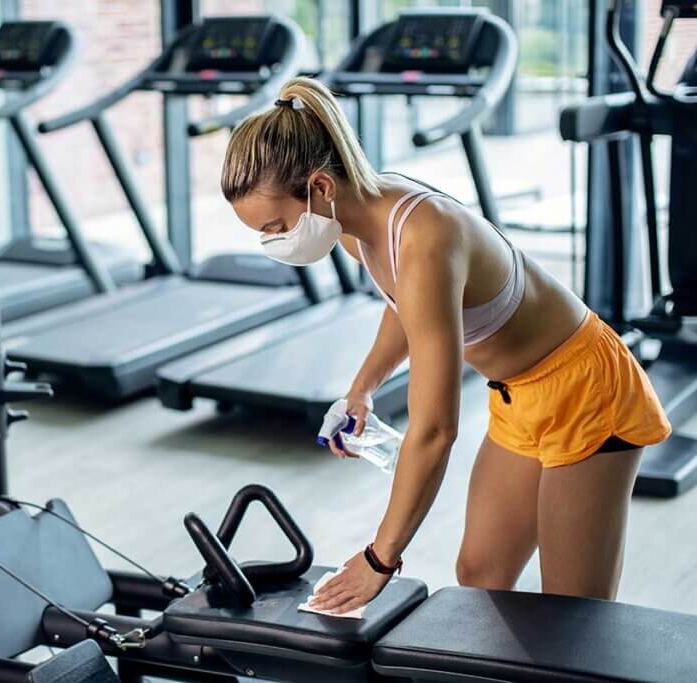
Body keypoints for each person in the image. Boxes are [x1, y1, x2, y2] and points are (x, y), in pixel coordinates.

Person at [220, 77, 671, 615]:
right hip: (517, 395)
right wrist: (361, 390)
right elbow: (405, 306)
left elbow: (435, 431)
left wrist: (380, 557)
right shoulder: (352, 220)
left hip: (585, 388)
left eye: (275, 226)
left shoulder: (425, 235)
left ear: (319, 187)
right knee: (481, 573)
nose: (274, 242)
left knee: (575, 612)